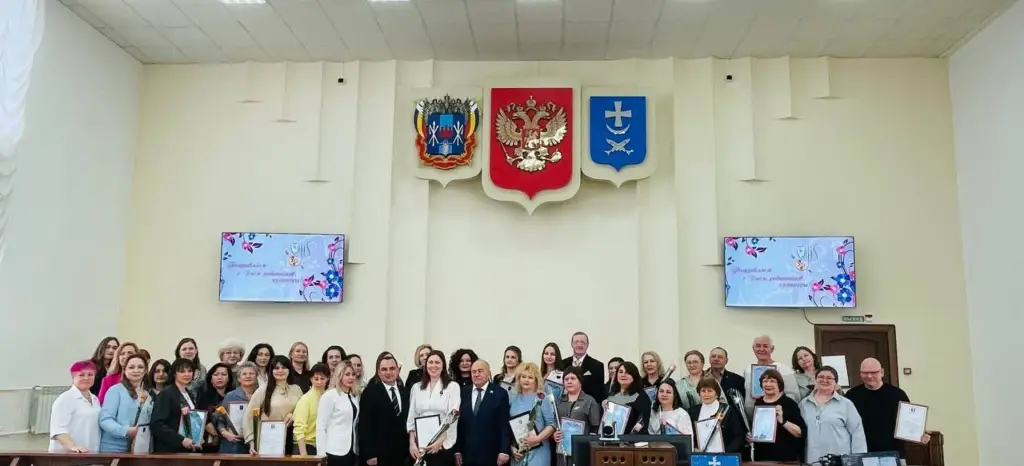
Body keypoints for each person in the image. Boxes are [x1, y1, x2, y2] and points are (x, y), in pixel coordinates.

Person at [844, 358, 930, 458]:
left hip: (894, 453)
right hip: (863, 454)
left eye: (873, 372)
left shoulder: (897, 394)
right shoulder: (851, 395)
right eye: (865, 373)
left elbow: (909, 421)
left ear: (882, 372)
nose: (869, 376)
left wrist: (918, 435)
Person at [799, 366, 866, 462]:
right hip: (812, 461)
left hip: (839, 461)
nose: (824, 380)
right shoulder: (803, 404)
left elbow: (857, 433)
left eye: (829, 378)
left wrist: (857, 460)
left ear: (836, 382)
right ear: (815, 380)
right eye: (821, 377)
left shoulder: (846, 404)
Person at [407, 350, 461, 466]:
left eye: (437, 362)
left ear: (443, 365)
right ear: (426, 365)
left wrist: (441, 442)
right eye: (430, 362)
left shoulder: (452, 387)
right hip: (420, 446)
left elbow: (453, 416)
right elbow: (412, 416)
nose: (433, 365)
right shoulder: (416, 388)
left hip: (442, 445)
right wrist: (412, 443)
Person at [455, 360, 511, 466]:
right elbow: (458, 424)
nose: (476, 374)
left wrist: (504, 451)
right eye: (474, 372)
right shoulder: (463, 393)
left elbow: (504, 425)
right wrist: (457, 450)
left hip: (491, 455)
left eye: (480, 371)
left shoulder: (500, 393)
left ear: (488, 372)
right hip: (467, 455)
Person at [359, 352, 411, 466]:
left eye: (392, 368)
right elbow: (364, 426)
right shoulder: (370, 393)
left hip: (402, 454)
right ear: (378, 372)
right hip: (380, 455)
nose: (388, 372)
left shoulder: (405, 392)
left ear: (397, 370)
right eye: (384, 369)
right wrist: (369, 454)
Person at [99, 354, 152, 452]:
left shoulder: (148, 394)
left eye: (140, 367)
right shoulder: (115, 390)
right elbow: (105, 420)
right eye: (131, 367)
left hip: (139, 447)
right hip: (114, 448)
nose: (136, 370)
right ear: (125, 370)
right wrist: (125, 431)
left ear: (145, 371)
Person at [749, 369, 805, 462]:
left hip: (784, 457)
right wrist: (752, 435)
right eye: (765, 381)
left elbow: (800, 433)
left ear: (779, 384)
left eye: (772, 381)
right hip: (761, 456)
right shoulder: (758, 402)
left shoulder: (789, 403)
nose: (768, 384)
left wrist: (783, 421)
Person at [150, 358, 202, 453]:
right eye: (182, 371)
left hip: (186, 448)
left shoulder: (189, 394)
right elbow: (157, 424)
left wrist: (198, 437)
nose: (187, 374)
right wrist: (180, 440)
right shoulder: (166, 394)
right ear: (174, 374)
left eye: (189, 371)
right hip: (169, 450)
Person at [508, 363, 556, 466]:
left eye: (530, 377)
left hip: (538, 453)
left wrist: (538, 439)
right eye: (523, 376)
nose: (526, 380)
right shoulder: (513, 399)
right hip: (518, 454)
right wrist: (511, 448)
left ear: (536, 380)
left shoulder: (542, 398)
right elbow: (509, 426)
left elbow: (552, 424)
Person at [49, 361, 102, 453]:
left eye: (90, 375)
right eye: (81, 375)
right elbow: (58, 430)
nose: (86, 378)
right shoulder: (65, 399)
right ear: (73, 377)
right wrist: (73, 447)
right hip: (68, 455)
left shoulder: (95, 399)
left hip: (89, 452)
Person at [553, 367, 602, 466]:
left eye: (573, 378)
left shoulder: (589, 401)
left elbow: (595, 428)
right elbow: (554, 423)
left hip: (582, 451)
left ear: (580, 381)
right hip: (562, 450)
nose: (569, 381)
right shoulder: (559, 402)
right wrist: (554, 434)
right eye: (566, 379)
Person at [317, 361, 362, 466]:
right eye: (347, 374)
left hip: (352, 449)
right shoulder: (330, 396)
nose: (351, 377)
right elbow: (321, 427)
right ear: (339, 376)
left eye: (353, 374)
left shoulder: (354, 396)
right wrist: (321, 455)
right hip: (334, 450)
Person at [687, 378, 745, 454]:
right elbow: (689, 435)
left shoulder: (728, 410)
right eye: (703, 391)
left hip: (724, 456)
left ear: (717, 394)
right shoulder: (692, 411)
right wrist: (694, 448)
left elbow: (739, 436)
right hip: (700, 455)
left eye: (710, 391)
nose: (706, 394)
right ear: (699, 393)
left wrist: (726, 452)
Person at [217, 362, 258, 453]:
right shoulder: (230, 396)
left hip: (255, 442)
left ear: (256, 377)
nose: (248, 376)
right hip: (234, 442)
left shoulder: (261, 396)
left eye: (251, 373)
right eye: (244, 374)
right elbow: (220, 419)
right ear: (239, 378)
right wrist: (225, 432)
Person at [293, 362, 331, 455]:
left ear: (328, 378)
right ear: (311, 379)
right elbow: (299, 428)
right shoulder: (306, 399)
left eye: (322, 379)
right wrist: (304, 456)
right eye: (316, 379)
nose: (319, 382)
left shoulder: (329, 397)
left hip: (324, 445)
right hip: (306, 445)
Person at [606, 362, 651, 434]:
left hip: (634, 439)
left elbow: (642, 423)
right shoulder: (611, 396)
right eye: (620, 372)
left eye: (627, 372)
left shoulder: (642, 397)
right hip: (611, 437)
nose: (623, 375)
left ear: (634, 376)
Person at [560, 332, 605, 403]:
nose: (579, 345)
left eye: (582, 342)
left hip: (588, 406)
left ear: (587, 345)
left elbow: (599, 392)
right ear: (572, 344)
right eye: (576, 342)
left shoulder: (597, 366)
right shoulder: (562, 364)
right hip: (565, 405)